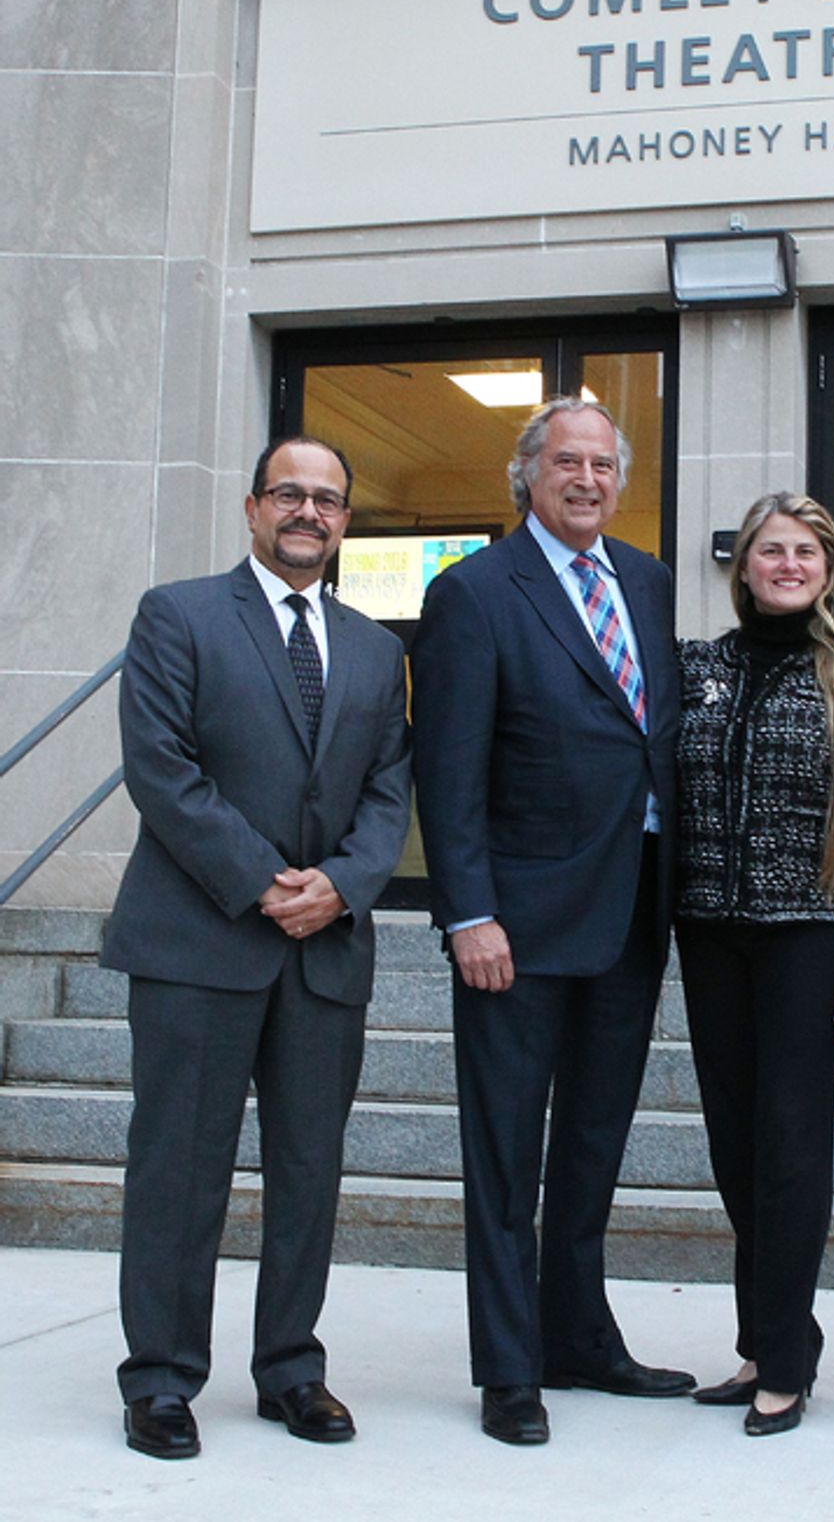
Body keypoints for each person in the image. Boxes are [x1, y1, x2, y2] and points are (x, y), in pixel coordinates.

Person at [102, 436, 412, 1460]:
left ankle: (291, 1369)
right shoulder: (179, 615)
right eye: (289, 493)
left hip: (325, 951)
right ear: (251, 507)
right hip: (199, 938)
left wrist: (344, 884)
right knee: (179, 1169)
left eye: (327, 499)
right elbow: (161, 768)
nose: (307, 512)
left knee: (308, 1172)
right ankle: (161, 1379)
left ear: (346, 521)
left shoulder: (376, 651)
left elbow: (387, 791)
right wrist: (264, 880)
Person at [410, 396, 694, 1447]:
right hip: (517, 927)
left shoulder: (648, 581)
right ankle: (509, 1368)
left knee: (591, 1141)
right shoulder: (474, 592)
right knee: (504, 1153)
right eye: (567, 462)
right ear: (527, 474)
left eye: (602, 465)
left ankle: (577, 1337)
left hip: (631, 909)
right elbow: (448, 769)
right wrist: (468, 912)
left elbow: (648, 736)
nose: (586, 479)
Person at [675, 492, 834, 1437]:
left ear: (828, 568)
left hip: (811, 936)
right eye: (770, 550)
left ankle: (786, 1360)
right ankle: (763, 1341)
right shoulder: (700, 668)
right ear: (743, 567)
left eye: (804, 552)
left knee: (789, 1146)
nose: (786, 565)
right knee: (734, 1146)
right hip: (710, 930)